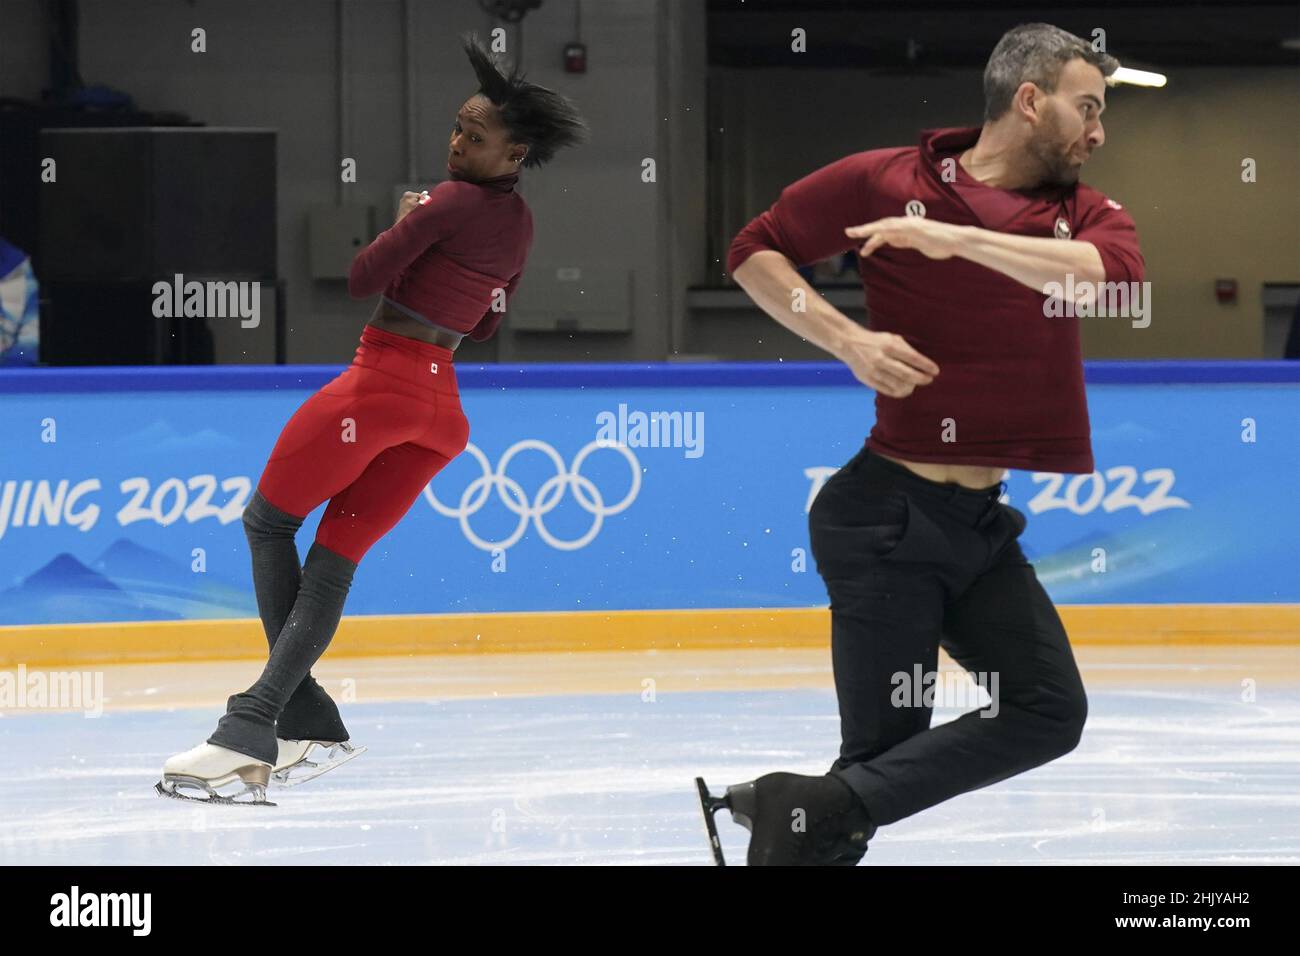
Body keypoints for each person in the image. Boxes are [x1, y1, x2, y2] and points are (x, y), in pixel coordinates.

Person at [698, 23, 1144, 864]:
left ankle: (786, 808)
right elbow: (755, 250)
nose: (1098, 131)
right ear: (1028, 100)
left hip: (977, 526)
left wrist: (959, 239)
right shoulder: (887, 179)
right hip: (884, 519)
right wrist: (846, 340)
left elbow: (1115, 284)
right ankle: (795, 815)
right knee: (875, 764)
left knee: (1047, 709)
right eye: (1086, 108)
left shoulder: (1082, 213)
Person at [158, 35, 588, 804]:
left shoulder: (448, 201)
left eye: (475, 136)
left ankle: (257, 720)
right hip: (440, 409)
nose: (457, 142)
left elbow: (362, 277)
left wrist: (403, 223)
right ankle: (306, 717)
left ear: (514, 151)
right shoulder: (518, 224)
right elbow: (485, 326)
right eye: (456, 127)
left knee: (265, 524)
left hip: (379, 385)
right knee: (332, 560)